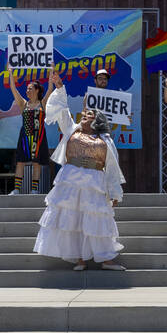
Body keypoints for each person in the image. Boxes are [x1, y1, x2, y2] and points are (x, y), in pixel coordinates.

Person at [33, 71, 125, 270]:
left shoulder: (105, 140)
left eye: (89, 115)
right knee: (74, 220)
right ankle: (80, 259)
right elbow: (62, 110)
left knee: (97, 221)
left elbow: (111, 167)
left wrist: (115, 192)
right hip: (72, 180)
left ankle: (106, 259)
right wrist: (59, 86)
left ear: (97, 120)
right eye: (83, 115)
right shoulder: (71, 129)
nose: (84, 117)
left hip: (95, 182)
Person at [6, 69, 51, 194]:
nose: (27, 91)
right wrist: (10, 73)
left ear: (37, 90)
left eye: (30, 88)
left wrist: (51, 71)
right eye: (27, 89)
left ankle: (34, 189)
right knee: (20, 162)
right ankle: (17, 189)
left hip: (39, 136)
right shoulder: (23, 104)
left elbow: (50, 90)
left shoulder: (42, 103)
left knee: (37, 163)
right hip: (25, 136)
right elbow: (13, 89)